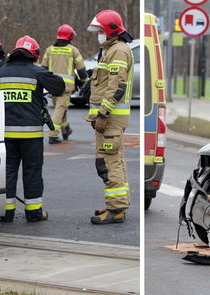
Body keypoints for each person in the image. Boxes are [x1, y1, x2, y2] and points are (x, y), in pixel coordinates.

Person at [0, 36, 65, 223]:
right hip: (31, 135)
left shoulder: (1, 73)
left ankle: (6, 213)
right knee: (32, 172)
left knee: (8, 171)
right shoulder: (37, 72)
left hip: (5, 135)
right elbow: (60, 87)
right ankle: (33, 213)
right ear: (34, 55)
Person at [85, 10, 134, 224]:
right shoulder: (112, 50)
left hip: (111, 119)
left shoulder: (118, 51)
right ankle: (117, 206)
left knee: (108, 163)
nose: (98, 34)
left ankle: (116, 210)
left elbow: (117, 87)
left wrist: (103, 113)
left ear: (111, 30)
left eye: (101, 31)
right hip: (110, 118)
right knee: (115, 162)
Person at [42, 24, 88, 144]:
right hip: (65, 88)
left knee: (61, 109)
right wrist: (84, 82)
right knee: (59, 110)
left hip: (52, 87)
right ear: (70, 37)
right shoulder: (73, 50)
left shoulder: (49, 50)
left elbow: (43, 68)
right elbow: (82, 70)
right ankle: (53, 134)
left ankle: (66, 130)